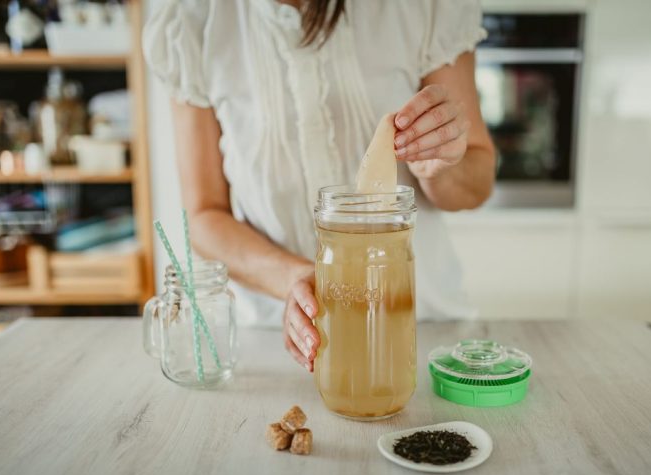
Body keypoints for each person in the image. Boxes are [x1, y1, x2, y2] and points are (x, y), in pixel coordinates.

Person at [144, 0, 496, 372]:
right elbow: (203, 216)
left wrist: (438, 164)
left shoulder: (422, 7)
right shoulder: (192, 19)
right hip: (277, 345)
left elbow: (476, 182)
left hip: (420, 328)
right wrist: (296, 278)